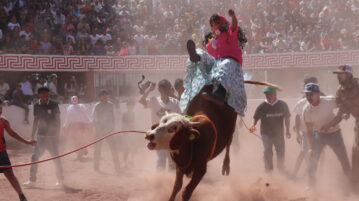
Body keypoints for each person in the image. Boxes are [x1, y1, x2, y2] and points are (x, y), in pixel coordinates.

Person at [181, 9, 247, 116]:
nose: (214, 26)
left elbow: (234, 25)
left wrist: (233, 17)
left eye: (216, 23)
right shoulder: (212, 38)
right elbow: (209, 51)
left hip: (231, 61)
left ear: (222, 23)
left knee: (225, 64)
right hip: (216, 63)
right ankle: (196, 57)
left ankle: (220, 93)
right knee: (201, 53)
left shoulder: (229, 32)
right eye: (212, 24)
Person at [302, 82, 351, 187]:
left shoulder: (329, 101)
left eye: (311, 94)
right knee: (312, 162)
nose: (309, 97)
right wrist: (310, 148)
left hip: (335, 134)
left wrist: (344, 114)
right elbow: (309, 131)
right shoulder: (306, 110)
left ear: (318, 94)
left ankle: (352, 183)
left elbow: (343, 106)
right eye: (307, 95)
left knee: (343, 159)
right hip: (318, 136)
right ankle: (311, 187)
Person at [324, 64, 359, 186]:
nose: (338, 77)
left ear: (349, 74)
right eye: (337, 74)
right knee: (356, 150)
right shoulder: (340, 91)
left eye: (341, 74)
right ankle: (355, 182)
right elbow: (341, 112)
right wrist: (328, 125)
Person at [23, 87, 64, 187]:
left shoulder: (54, 104)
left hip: (52, 136)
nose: (46, 94)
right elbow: (36, 120)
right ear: (39, 94)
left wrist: (58, 135)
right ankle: (32, 181)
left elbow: (58, 120)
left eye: (47, 93)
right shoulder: (36, 105)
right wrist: (32, 136)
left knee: (56, 158)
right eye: (44, 93)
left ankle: (60, 180)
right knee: (34, 157)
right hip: (40, 136)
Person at [139, 79, 180, 170]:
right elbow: (141, 101)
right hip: (157, 135)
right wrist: (149, 90)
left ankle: (170, 180)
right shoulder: (154, 100)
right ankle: (160, 180)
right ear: (160, 90)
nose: (168, 90)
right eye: (166, 88)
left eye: (169, 88)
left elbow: (180, 117)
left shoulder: (175, 102)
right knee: (161, 158)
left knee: (172, 159)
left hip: (171, 135)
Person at [0, 100, 36, 201]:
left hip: (1, 152)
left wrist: (26, 142)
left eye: (1, 108)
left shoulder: (3, 121)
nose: (0, 110)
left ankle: (21, 196)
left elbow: (12, 133)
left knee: (10, 174)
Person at [250, 86, 291, 173]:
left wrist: (287, 130)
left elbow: (287, 117)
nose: (268, 96)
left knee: (280, 151)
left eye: (270, 94)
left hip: (279, 133)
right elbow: (255, 117)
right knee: (267, 150)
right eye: (266, 94)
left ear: (275, 94)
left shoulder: (282, 105)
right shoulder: (262, 106)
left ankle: (281, 168)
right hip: (266, 133)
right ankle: (268, 170)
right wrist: (253, 125)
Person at [292, 76, 324, 178]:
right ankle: (295, 174)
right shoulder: (302, 102)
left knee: (320, 153)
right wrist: (297, 132)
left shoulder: (323, 98)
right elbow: (297, 117)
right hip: (306, 131)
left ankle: (318, 174)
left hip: (320, 131)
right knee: (304, 152)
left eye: (314, 84)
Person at [92, 90, 120, 174]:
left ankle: (117, 166)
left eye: (106, 96)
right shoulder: (97, 106)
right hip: (99, 131)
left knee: (114, 149)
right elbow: (93, 119)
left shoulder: (111, 105)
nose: (105, 97)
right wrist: (98, 128)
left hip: (109, 131)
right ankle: (96, 166)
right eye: (103, 96)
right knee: (97, 149)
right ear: (100, 97)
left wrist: (113, 128)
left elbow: (115, 117)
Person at [63, 96, 92, 160]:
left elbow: (85, 115)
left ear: (78, 100)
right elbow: (68, 117)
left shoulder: (81, 106)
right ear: (71, 100)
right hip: (73, 126)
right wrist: (65, 125)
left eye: (76, 99)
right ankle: (82, 150)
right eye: (73, 99)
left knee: (80, 138)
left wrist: (89, 121)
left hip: (80, 125)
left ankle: (82, 151)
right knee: (75, 140)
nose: (74, 100)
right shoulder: (69, 108)